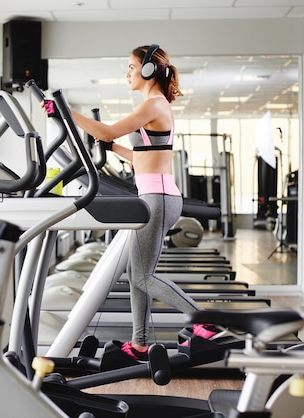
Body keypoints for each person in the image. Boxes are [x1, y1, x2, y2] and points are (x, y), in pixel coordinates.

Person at [64, 44, 208, 360]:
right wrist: (112, 147)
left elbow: (109, 129)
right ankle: (139, 343)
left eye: (131, 67)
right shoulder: (154, 106)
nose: (127, 73)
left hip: (157, 198)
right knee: (137, 271)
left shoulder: (153, 105)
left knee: (142, 275)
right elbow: (142, 157)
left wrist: (68, 113)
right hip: (158, 194)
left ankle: (206, 322)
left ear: (147, 70)